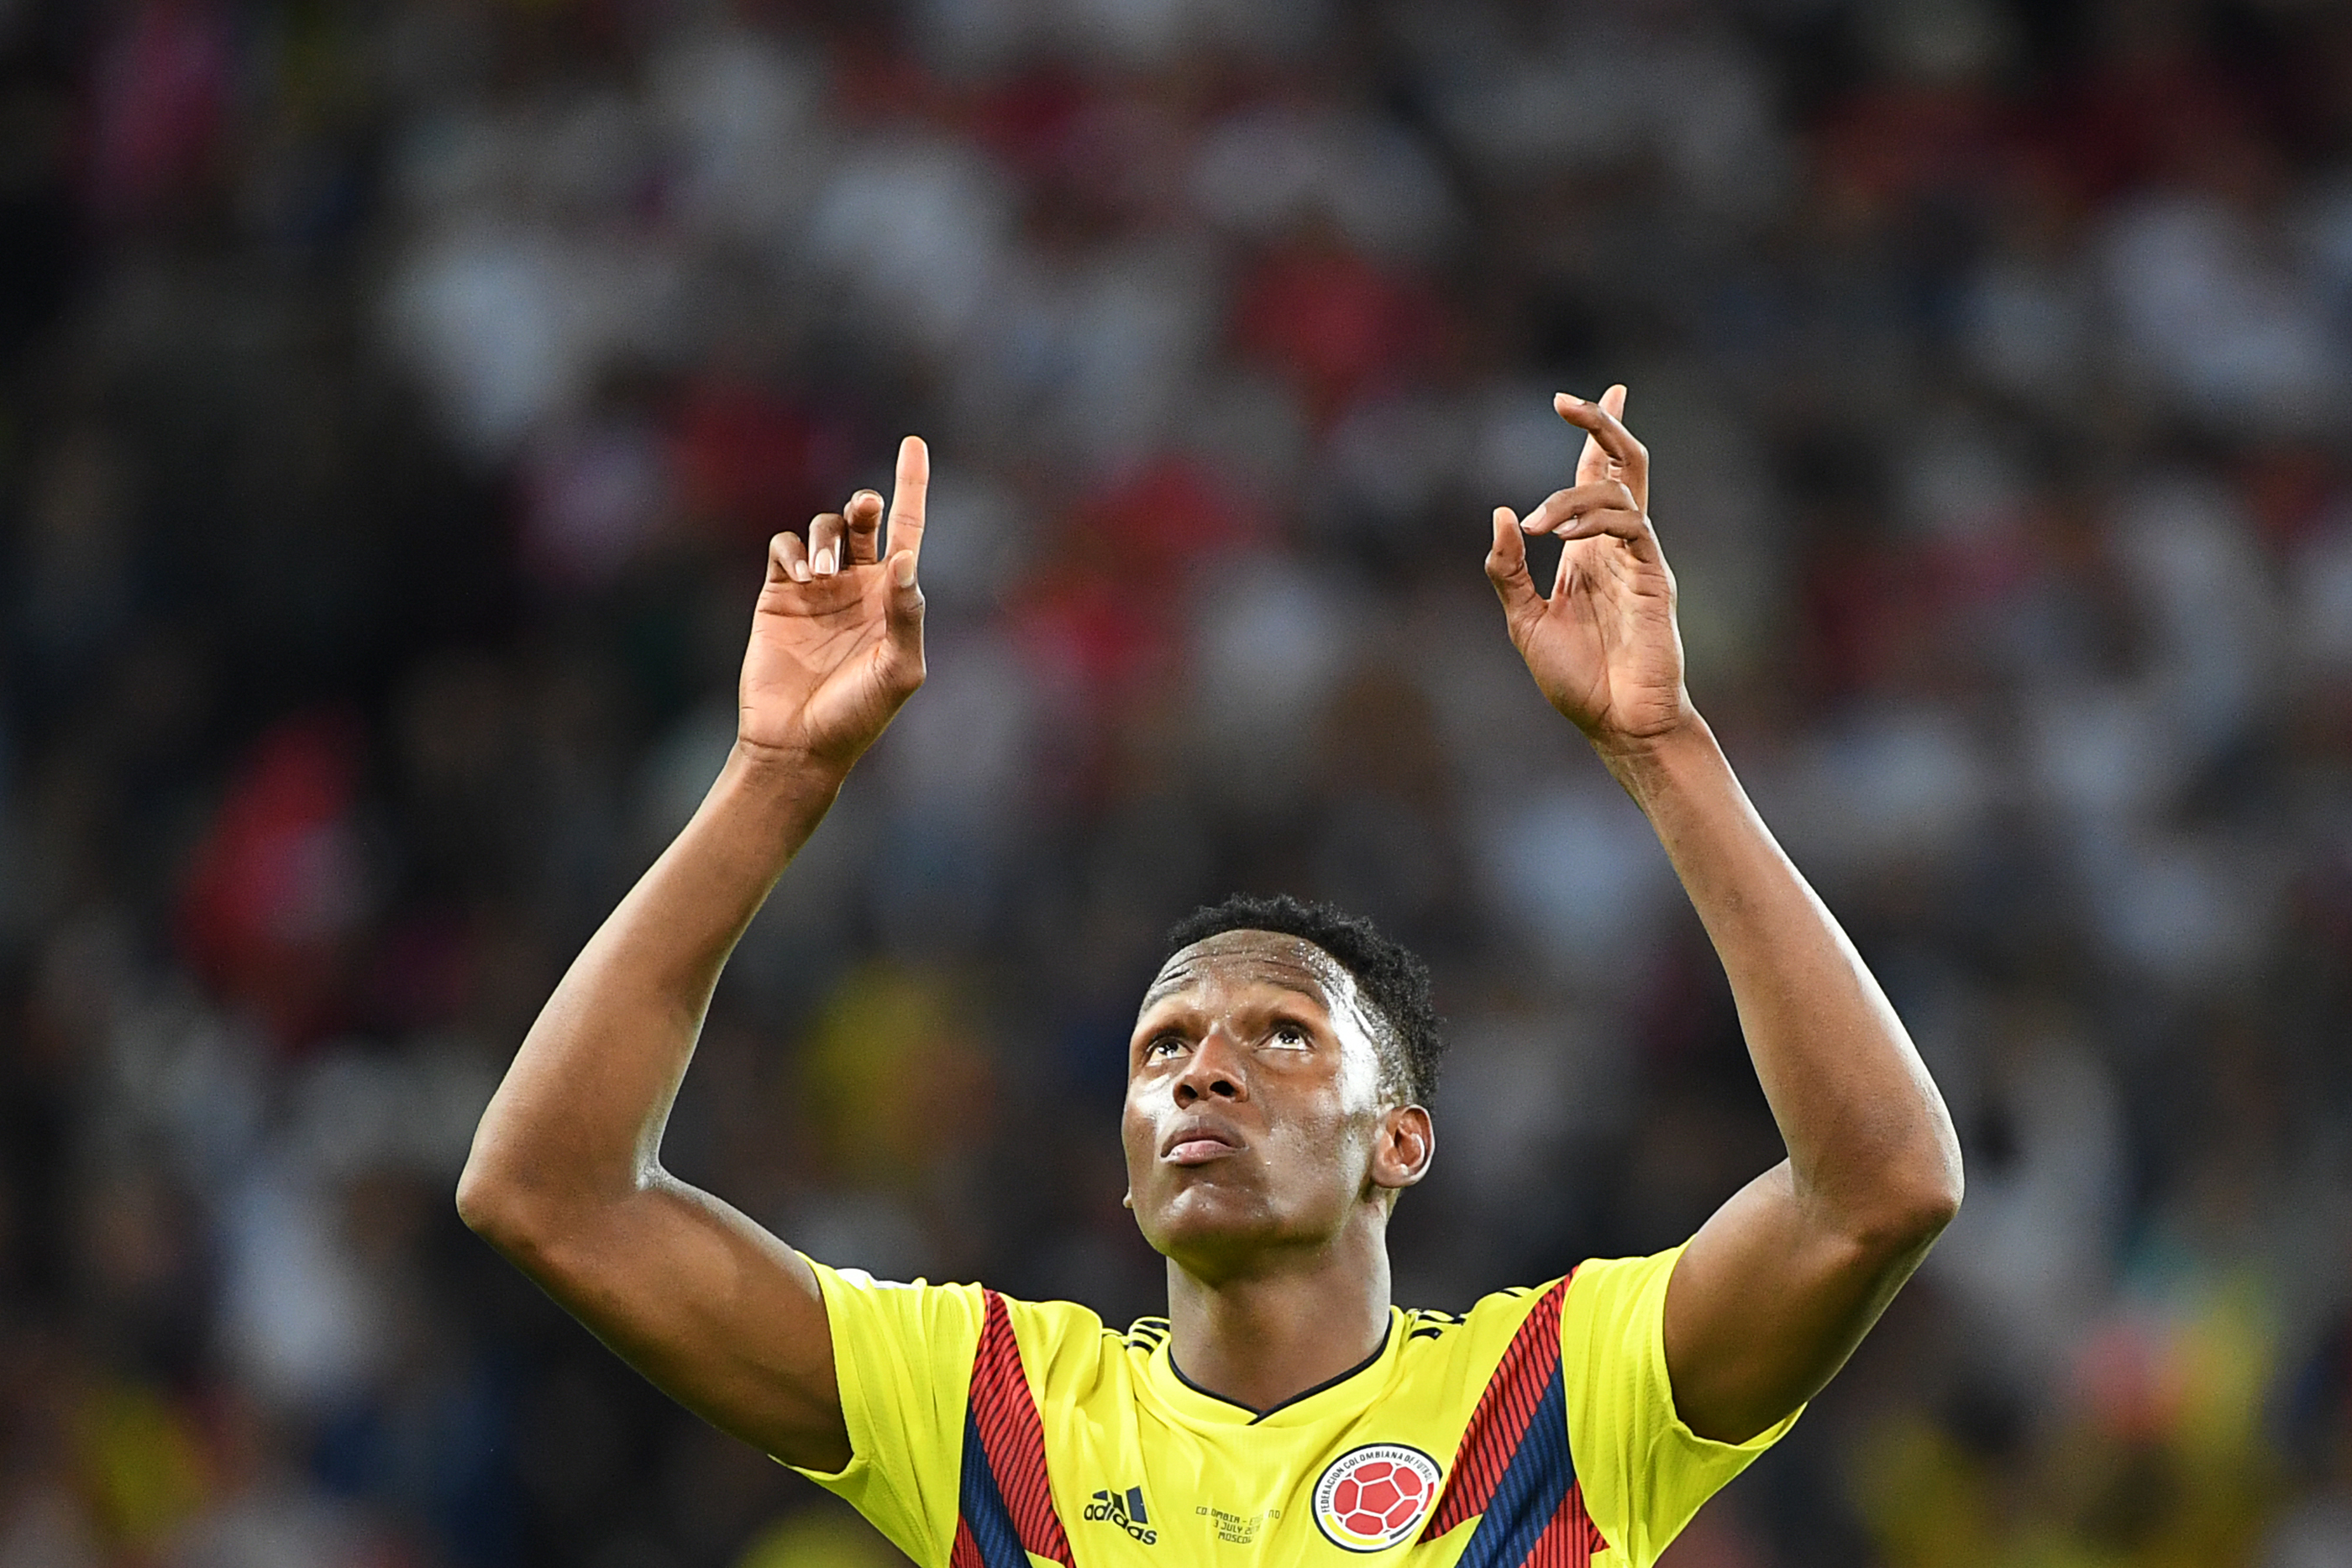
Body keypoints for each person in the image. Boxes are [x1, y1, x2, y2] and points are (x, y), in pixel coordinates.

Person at [457, 389, 1963, 1566]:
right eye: (1162, 1044)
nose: (1203, 1068)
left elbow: (1883, 1185)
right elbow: (549, 1193)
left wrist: (1662, 749)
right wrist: (774, 778)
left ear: (1403, 1140)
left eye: (1286, 1036)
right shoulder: (997, 1415)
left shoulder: (1559, 1406)